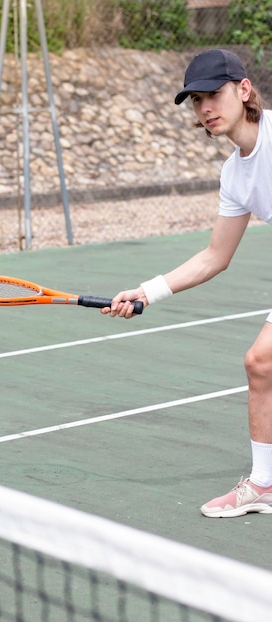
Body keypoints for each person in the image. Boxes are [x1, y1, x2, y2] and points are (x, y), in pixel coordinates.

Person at [102, 48, 272, 518]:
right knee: (261, 364)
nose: (205, 109)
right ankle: (264, 484)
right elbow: (215, 256)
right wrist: (147, 291)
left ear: (243, 90)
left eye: (213, 95)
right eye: (196, 101)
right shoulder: (235, 174)